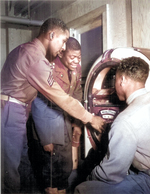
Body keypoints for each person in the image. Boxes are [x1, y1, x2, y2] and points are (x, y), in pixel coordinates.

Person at [0, 18, 105, 193]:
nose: (63, 47)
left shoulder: (24, 50)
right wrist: (90, 118)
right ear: (51, 35)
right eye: (63, 41)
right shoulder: (35, 58)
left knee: (21, 164)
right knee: (11, 171)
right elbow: (61, 98)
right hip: (11, 110)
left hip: (16, 109)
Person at [74, 56, 150, 194]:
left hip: (147, 178)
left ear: (122, 80)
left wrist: (90, 177)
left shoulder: (125, 120)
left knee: (83, 189)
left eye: (115, 80)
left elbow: (111, 174)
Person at [28, 37, 83, 194]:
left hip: (64, 123)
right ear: (61, 54)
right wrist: (45, 138)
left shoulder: (76, 68)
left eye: (79, 57)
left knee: (64, 169)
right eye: (72, 57)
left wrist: (77, 122)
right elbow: (38, 104)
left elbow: (77, 94)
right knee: (50, 173)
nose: (76, 61)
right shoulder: (48, 69)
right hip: (47, 126)